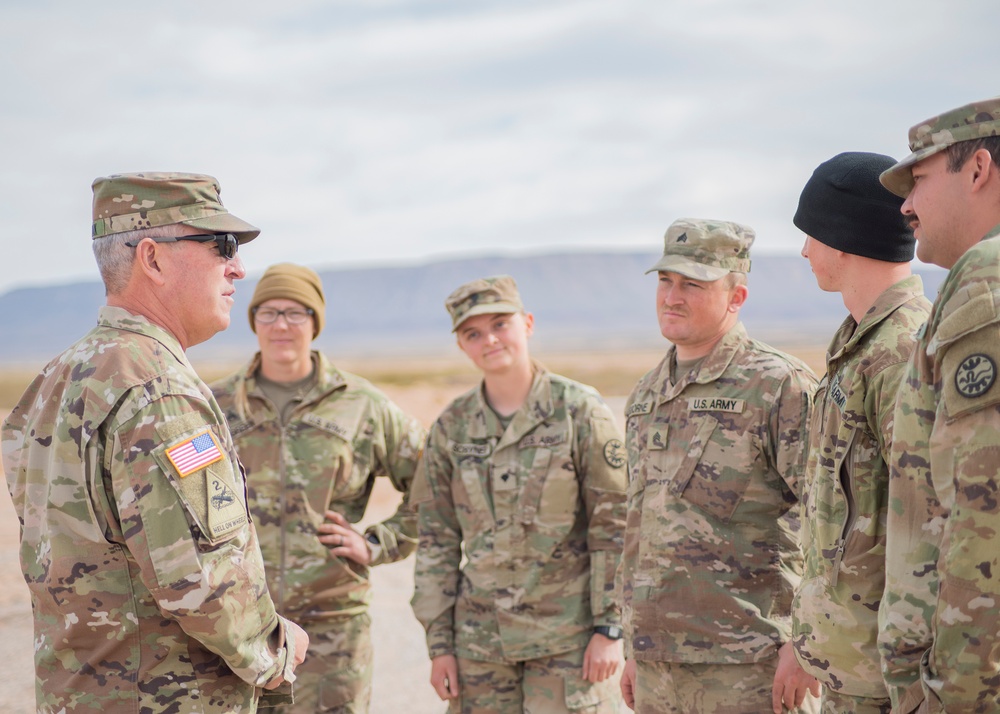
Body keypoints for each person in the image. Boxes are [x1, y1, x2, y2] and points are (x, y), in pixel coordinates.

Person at [0, 172, 308, 713]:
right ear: (154, 258)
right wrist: (276, 649)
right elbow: (200, 582)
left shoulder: (58, 376)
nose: (237, 268)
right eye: (221, 246)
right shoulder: (156, 390)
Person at [617, 218, 821, 714]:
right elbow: (640, 529)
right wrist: (633, 646)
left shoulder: (778, 386)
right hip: (658, 665)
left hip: (751, 666)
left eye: (693, 284)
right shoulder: (647, 393)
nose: (672, 296)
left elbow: (832, 521)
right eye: (666, 280)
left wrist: (807, 644)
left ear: (736, 296)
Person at [211, 262, 426, 713]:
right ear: (253, 322)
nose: (282, 324)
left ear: (315, 321)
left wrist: (379, 543)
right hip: (240, 623)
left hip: (331, 622)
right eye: (268, 312)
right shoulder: (217, 404)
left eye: (296, 312)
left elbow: (436, 483)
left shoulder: (360, 404)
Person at [409, 275, 628, 713]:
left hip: (568, 641)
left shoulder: (579, 411)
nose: (489, 339)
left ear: (527, 323)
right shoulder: (452, 426)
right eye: (473, 333)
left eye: (500, 324)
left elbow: (615, 525)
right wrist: (440, 645)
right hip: (480, 645)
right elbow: (437, 538)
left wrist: (610, 629)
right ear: (461, 346)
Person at [789, 152, 931, 713]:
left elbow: (928, 524)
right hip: (853, 662)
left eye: (811, 234)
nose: (803, 251)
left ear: (842, 239)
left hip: (890, 676)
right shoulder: (861, 345)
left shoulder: (900, 354)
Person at [877, 97, 1000, 712]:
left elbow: (983, 513)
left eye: (920, 180)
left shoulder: (988, 275)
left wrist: (955, 696)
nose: (906, 205)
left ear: (978, 170)